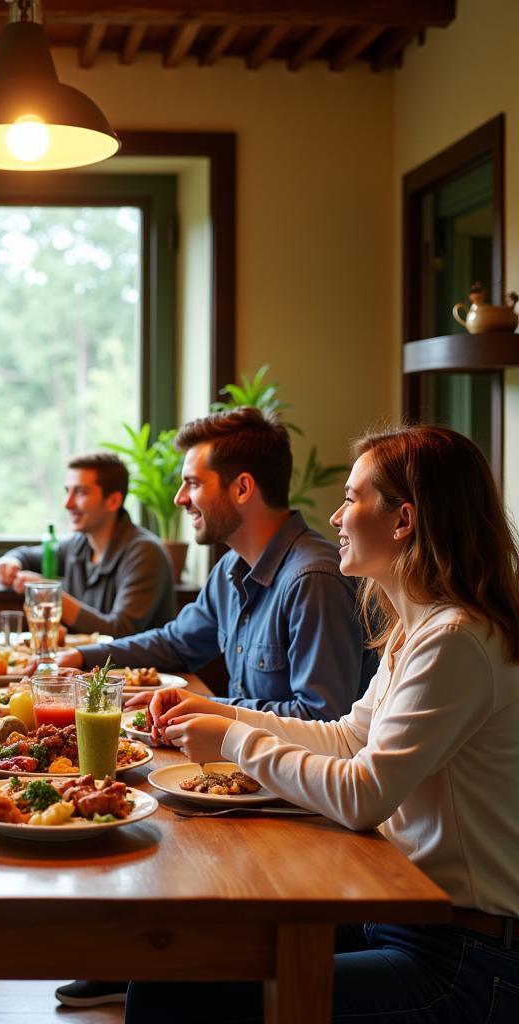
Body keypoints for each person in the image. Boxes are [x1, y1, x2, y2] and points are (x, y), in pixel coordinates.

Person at [127, 424, 519, 1023]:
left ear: (403, 520)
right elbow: (348, 736)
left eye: (353, 498)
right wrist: (221, 713)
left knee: (179, 997)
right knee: (165, 974)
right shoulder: (417, 631)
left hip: (461, 957)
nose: (335, 516)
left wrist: (232, 738)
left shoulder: (456, 641)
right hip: (395, 914)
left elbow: (363, 794)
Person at [51, 408, 377, 1009]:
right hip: (246, 786)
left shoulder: (313, 578)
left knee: (140, 817)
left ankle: (150, 969)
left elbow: (319, 718)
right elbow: (177, 642)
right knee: (121, 804)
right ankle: (129, 956)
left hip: (306, 816)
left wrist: (208, 707)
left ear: (243, 488)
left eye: (192, 483)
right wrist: (85, 656)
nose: (180, 497)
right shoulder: (231, 569)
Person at [0, 452, 175, 637]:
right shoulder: (79, 544)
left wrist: (50, 594)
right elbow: (27, 557)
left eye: (80, 492)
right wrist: (9, 562)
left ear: (113, 501)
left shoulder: (146, 553)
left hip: (135, 666)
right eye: (67, 491)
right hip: (85, 664)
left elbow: (119, 631)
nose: (67, 503)